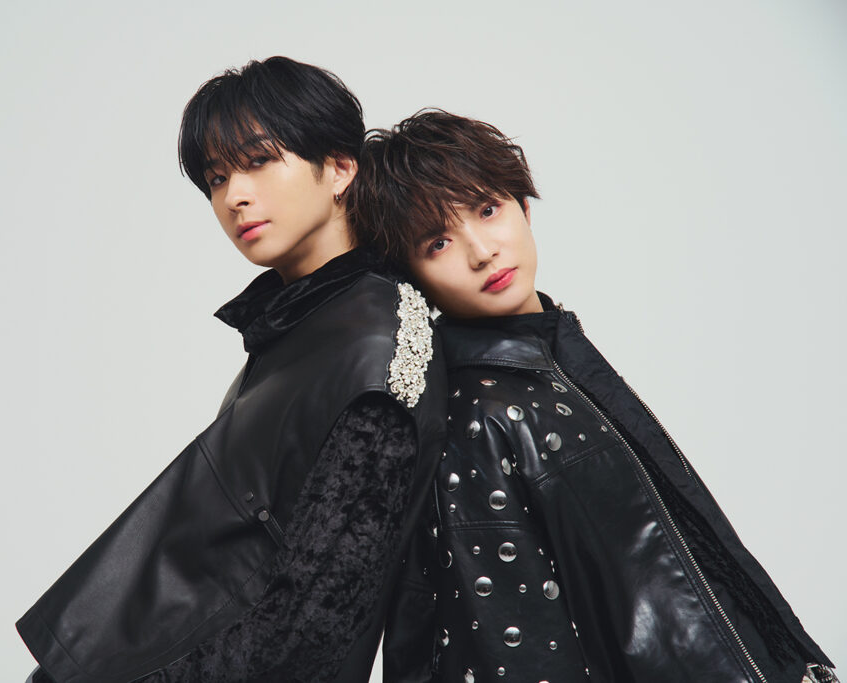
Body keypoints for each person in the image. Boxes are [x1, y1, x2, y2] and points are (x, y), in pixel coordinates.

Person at [350, 110, 837, 683]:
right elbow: (516, 651)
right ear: (413, 278)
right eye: (438, 243)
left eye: (487, 209)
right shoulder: (475, 412)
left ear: (523, 207)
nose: (481, 251)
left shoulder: (555, 353)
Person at [16, 57, 447, 683]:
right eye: (216, 179)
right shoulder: (308, 323)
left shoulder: (374, 347)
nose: (234, 197)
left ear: (339, 168)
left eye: (259, 162)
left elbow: (313, 623)